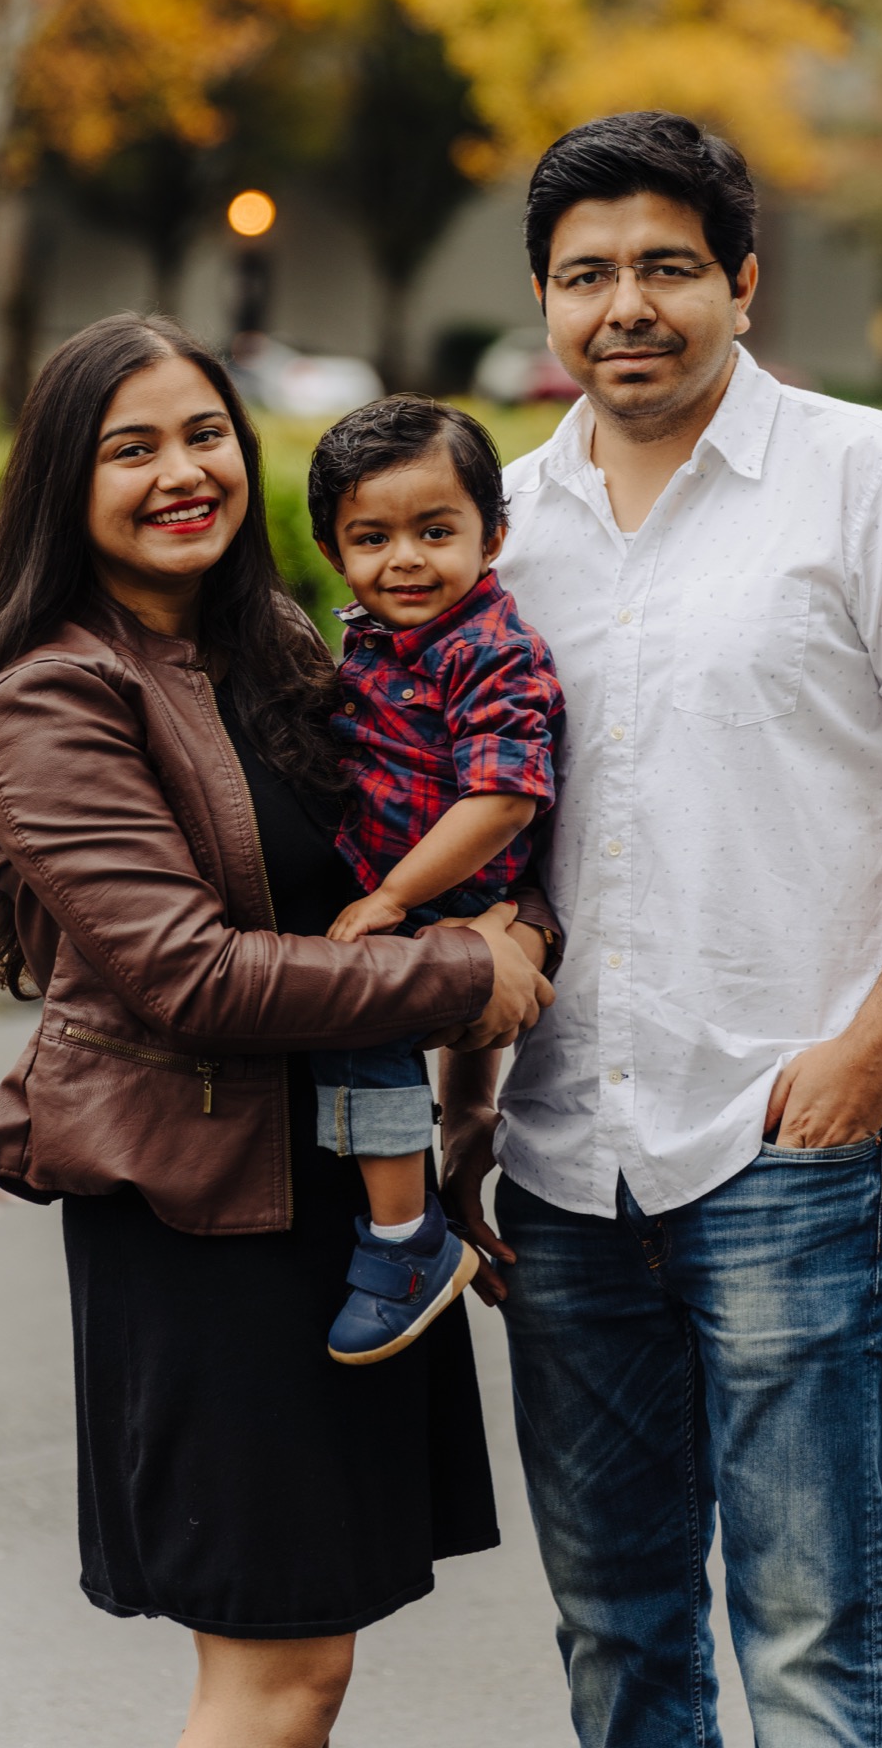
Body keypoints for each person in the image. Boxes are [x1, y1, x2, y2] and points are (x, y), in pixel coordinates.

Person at [440, 112, 882, 1748]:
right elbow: (471, 828)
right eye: (587, 275)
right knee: (619, 1634)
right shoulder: (500, 520)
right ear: (543, 298)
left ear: (743, 280)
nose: (624, 305)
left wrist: (875, 1048)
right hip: (566, 1168)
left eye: (666, 266)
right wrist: (465, 1102)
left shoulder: (868, 477)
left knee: (809, 1639)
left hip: (791, 1145)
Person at [0, 313, 557, 1748]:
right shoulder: (55, 699)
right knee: (271, 1672)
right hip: (211, 1225)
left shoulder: (271, 649)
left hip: (347, 1194)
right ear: (62, 487)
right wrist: (469, 970)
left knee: (311, 1662)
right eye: (129, 448)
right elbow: (192, 979)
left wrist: (460, 1117)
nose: (180, 472)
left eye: (204, 433)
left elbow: (419, 855)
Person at [304, 398, 563, 1364]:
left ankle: (402, 1241)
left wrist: (390, 900)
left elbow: (503, 800)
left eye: (435, 531)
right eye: (371, 537)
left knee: (362, 1026)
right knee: (374, 1041)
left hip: (454, 901)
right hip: (429, 902)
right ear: (334, 552)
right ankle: (453, 1142)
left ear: (493, 536)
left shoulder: (492, 650)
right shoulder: (372, 640)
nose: (404, 559)